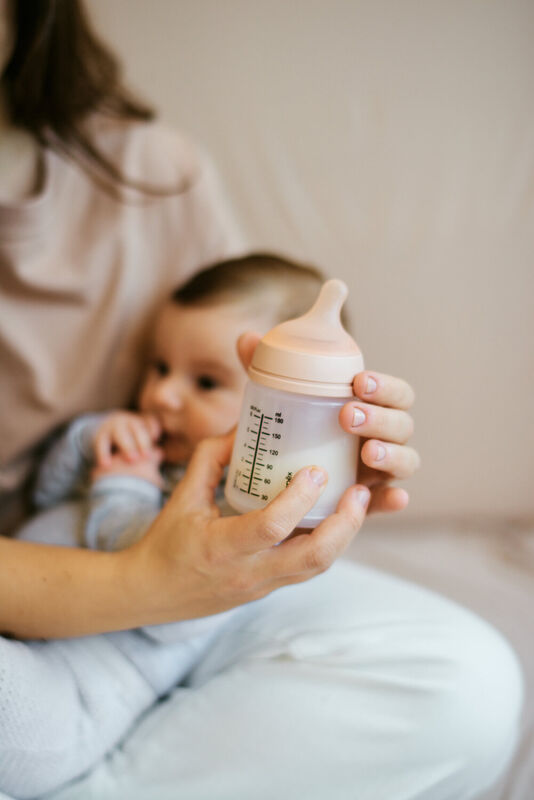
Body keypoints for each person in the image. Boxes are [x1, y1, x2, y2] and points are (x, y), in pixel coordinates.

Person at [0, 3, 522, 799]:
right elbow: (82, 507)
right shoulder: (141, 450)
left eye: (201, 381)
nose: (162, 394)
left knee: (465, 684)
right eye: (155, 368)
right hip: (79, 589)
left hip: (136, 636)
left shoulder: (150, 179)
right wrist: (101, 449)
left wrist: (345, 454)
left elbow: (162, 545)